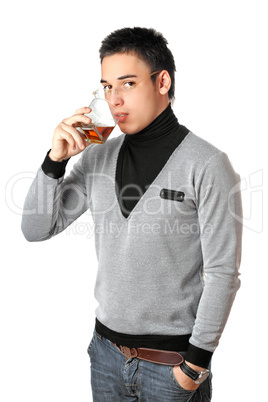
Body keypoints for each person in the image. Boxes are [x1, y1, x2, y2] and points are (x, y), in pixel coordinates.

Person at [21, 27, 243, 401]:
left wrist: (195, 366)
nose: (114, 99)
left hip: (173, 364)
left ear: (162, 82)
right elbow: (35, 228)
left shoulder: (207, 164)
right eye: (107, 87)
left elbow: (223, 272)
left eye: (127, 84)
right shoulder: (96, 155)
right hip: (105, 355)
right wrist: (55, 161)